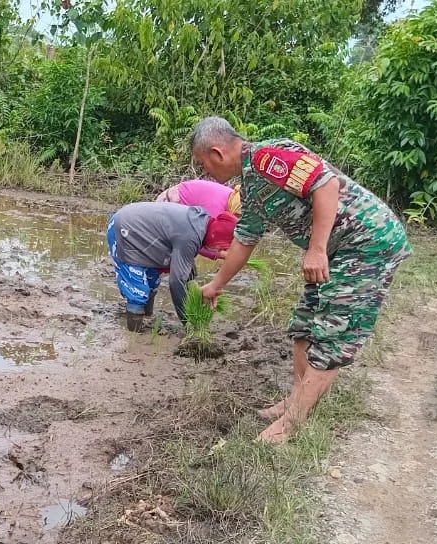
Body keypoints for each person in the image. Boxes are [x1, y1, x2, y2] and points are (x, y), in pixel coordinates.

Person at [190, 116, 412, 444]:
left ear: (217, 153)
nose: (204, 172)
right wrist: (216, 284)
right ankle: (295, 401)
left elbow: (326, 184)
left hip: (367, 243)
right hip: (335, 251)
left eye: (202, 164)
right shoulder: (250, 188)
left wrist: (317, 249)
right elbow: (244, 240)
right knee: (304, 325)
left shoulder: (268, 157)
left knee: (333, 330)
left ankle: (293, 423)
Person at [106, 201, 237, 332]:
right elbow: (176, 282)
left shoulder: (200, 223)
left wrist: (194, 292)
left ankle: (146, 317)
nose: (222, 250)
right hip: (124, 229)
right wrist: (188, 322)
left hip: (140, 230)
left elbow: (186, 265)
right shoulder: (191, 235)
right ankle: (134, 335)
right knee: (138, 290)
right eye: (223, 246)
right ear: (217, 237)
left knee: (152, 281)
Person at [155, 179, 242, 261]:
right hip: (166, 207)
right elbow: (196, 242)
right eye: (238, 216)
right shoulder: (215, 213)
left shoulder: (233, 196)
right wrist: (222, 255)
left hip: (179, 207)